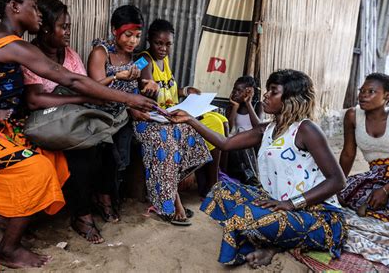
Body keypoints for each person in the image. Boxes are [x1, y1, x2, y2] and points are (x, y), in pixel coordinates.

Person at [0, 0, 154, 269]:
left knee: (54, 157)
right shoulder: (10, 44)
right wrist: (127, 100)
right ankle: (7, 249)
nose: (39, 15)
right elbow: (70, 79)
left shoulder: (3, 40)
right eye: (34, 7)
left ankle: (10, 217)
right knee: (35, 168)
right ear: (14, 6)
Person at [170, 69, 347, 267]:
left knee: (242, 215)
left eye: (274, 91)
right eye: (268, 90)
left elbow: (338, 180)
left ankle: (267, 247)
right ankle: (272, 244)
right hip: (279, 205)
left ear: (291, 98)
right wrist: (190, 119)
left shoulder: (306, 130)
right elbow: (225, 144)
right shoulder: (267, 130)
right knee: (220, 191)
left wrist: (292, 203)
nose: (266, 95)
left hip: (318, 214)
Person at [87, 7, 211, 226]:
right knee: (162, 138)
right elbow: (92, 89)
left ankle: (171, 194)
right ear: (114, 30)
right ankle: (169, 203)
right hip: (108, 113)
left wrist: (149, 86)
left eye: (137, 36)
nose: (133, 41)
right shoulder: (101, 52)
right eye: (127, 35)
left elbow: (145, 84)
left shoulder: (138, 59)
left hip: (137, 112)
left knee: (185, 129)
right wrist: (118, 78)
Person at [21, 0, 119, 243]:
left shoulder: (70, 55)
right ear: (44, 28)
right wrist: (79, 100)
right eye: (63, 27)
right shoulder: (30, 55)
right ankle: (81, 214)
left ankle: (103, 195)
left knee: (105, 141)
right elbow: (35, 101)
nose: (67, 32)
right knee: (80, 154)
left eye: (69, 27)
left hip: (71, 117)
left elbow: (83, 86)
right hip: (45, 123)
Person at [139, 18, 228, 197]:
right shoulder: (144, 60)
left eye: (168, 44)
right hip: (162, 117)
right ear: (149, 40)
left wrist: (185, 91)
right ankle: (211, 183)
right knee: (215, 124)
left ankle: (216, 177)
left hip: (174, 110)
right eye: (158, 43)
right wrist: (150, 87)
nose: (163, 48)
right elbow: (147, 88)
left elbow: (167, 88)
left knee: (222, 120)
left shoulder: (164, 60)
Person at [338, 73, 389, 222]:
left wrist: (386, 190)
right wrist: (337, 185)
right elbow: (348, 154)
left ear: (387, 96)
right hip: (376, 175)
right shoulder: (353, 116)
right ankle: (382, 209)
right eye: (361, 91)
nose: (363, 96)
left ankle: (379, 207)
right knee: (345, 192)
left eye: (371, 92)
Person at [225, 76, 262, 184]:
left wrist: (248, 103)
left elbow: (258, 128)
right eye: (234, 89)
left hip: (253, 145)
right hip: (236, 147)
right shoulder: (231, 107)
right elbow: (229, 129)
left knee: (244, 139)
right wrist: (235, 107)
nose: (235, 93)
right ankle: (248, 177)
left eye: (239, 90)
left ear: (249, 92)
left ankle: (252, 177)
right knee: (237, 140)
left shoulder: (258, 106)